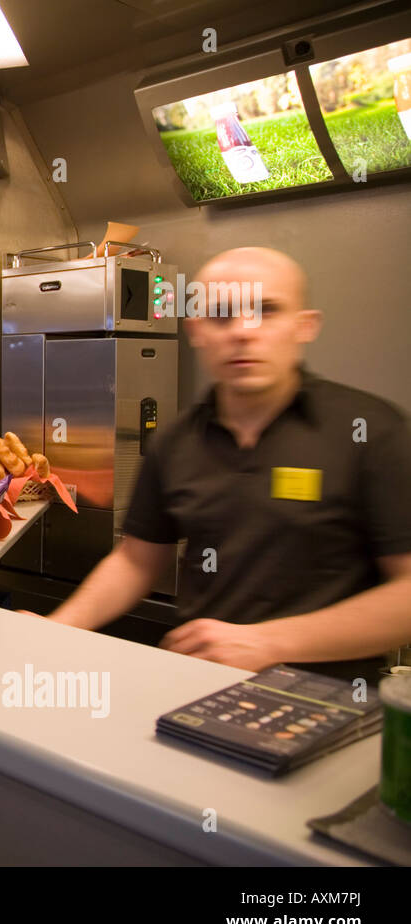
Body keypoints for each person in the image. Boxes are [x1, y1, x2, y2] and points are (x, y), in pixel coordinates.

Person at [44, 247, 411, 680]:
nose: (242, 332)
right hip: (202, 686)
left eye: (266, 311)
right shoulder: (176, 442)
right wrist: (57, 630)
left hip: (329, 697)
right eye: (221, 315)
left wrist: (270, 643)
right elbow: (137, 561)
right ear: (196, 330)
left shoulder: (369, 431)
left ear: (305, 325)